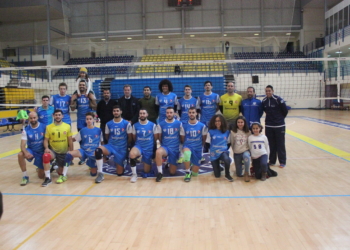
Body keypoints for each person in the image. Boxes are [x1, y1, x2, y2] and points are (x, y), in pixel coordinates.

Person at [94, 105, 132, 183]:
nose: (116, 112)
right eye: (114, 111)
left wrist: (125, 146)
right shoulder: (109, 124)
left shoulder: (126, 123)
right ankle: (100, 173)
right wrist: (112, 143)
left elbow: (130, 137)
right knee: (98, 150)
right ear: (112, 112)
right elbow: (107, 136)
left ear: (121, 112)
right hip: (111, 146)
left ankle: (123, 161)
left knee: (119, 173)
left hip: (121, 148)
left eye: (117, 111)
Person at [64, 112, 103, 178]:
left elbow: (102, 142)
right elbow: (75, 139)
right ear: (85, 120)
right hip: (84, 151)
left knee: (93, 174)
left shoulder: (98, 130)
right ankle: (63, 175)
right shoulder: (82, 130)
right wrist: (65, 137)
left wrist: (102, 154)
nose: (89, 120)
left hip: (93, 152)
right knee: (68, 154)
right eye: (87, 119)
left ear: (93, 120)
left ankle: (90, 163)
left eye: (90, 119)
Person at [42, 110, 73, 186]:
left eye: (59, 115)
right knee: (46, 156)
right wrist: (46, 148)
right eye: (56, 115)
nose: (57, 116)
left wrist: (71, 151)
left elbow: (70, 140)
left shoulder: (67, 126)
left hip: (63, 152)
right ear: (53, 116)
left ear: (62, 116)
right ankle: (47, 178)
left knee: (60, 173)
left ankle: (54, 165)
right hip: (53, 151)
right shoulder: (49, 127)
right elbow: (46, 140)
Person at [262, 85, 288, 168]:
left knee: (280, 144)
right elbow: (265, 111)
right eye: (266, 91)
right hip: (269, 126)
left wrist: (279, 119)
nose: (268, 92)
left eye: (269, 90)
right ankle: (272, 161)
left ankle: (282, 161)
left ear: (273, 91)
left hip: (279, 126)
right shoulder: (264, 101)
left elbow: (285, 111)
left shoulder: (278, 99)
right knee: (271, 144)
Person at [17, 112, 46, 186]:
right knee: (20, 154)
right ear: (28, 119)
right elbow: (22, 145)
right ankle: (25, 176)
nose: (33, 119)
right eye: (31, 118)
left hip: (41, 152)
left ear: (37, 118)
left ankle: (43, 166)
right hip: (31, 150)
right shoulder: (26, 129)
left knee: (41, 176)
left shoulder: (44, 127)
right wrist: (26, 153)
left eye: (34, 118)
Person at [155, 107, 183, 182]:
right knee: (158, 152)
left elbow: (181, 138)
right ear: (165, 113)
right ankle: (160, 173)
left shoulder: (179, 124)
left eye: (171, 112)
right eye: (167, 113)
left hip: (174, 149)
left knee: (172, 172)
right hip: (165, 147)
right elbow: (159, 138)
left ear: (174, 113)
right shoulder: (161, 124)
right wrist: (162, 146)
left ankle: (168, 162)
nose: (169, 114)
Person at [129, 109, 157, 183]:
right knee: (132, 154)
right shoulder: (135, 125)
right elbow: (134, 138)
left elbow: (155, 138)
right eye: (140, 113)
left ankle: (146, 160)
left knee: (146, 171)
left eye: (144, 113)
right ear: (139, 115)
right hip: (139, 146)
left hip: (148, 148)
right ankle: (134, 175)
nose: (142, 115)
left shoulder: (153, 125)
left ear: (147, 114)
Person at [181, 107, 208, 182]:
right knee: (186, 153)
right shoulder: (184, 125)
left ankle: (192, 165)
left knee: (195, 174)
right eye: (190, 112)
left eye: (193, 112)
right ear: (188, 114)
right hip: (188, 146)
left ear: (196, 113)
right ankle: (187, 172)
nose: (191, 114)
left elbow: (204, 139)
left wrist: (200, 146)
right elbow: (182, 139)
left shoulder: (202, 126)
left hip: (198, 148)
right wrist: (186, 145)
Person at [206, 114, 233, 181]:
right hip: (214, 153)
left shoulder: (227, 131)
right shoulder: (210, 131)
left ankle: (227, 174)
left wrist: (224, 149)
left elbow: (229, 143)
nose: (217, 122)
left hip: (223, 151)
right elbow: (207, 143)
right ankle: (218, 165)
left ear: (222, 122)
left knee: (227, 159)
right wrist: (213, 150)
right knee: (217, 176)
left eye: (219, 121)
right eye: (216, 121)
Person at [230, 116, 251, 182]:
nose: (240, 124)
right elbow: (232, 143)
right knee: (238, 174)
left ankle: (246, 172)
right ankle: (241, 168)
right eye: (238, 122)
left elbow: (249, 143)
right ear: (236, 123)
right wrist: (235, 151)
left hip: (245, 151)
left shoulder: (248, 132)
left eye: (242, 122)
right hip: (237, 152)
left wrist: (249, 151)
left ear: (244, 123)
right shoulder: (233, 132)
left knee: (246, 156)